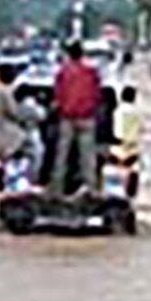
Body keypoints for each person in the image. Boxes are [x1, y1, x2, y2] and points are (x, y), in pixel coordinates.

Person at [50, 40, 103, 197]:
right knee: (87, 157)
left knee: (62, 156)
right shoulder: (91, 72)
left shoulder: (63, 73)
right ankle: (91, 189)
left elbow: (58, 96)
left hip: (67, 119)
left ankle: (56, 189)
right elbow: (97, 95)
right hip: (87, 118)